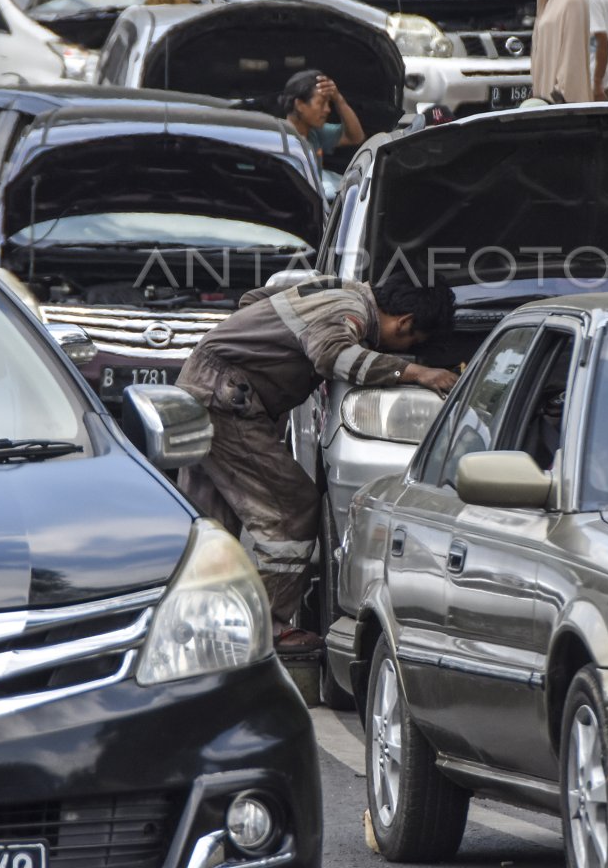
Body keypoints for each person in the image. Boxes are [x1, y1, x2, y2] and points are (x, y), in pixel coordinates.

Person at [176, 271, 458, 652]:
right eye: (410, 342)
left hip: (206, 392)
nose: (401, 350)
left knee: (208, 525)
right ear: (405, 322)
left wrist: (260, 357)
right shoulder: (350, 310)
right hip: (226, 402)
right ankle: (264, 630)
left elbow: (252, 300)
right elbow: (332, 355)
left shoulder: (333, 288)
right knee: (290, 510)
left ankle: (191, 630)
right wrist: (416, 372)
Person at [530, 0, 591, 103]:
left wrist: (560, 91)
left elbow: (572, 51)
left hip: (558, 95)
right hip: (544, 88)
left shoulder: (573, 1)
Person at [280, 70, 365, 174]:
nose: (327, 109)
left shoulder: (315, 133)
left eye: (328, 103)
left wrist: (339, 100)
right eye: (321, 103)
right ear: (300, 105)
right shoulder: (279, 140)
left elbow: (356, 137)